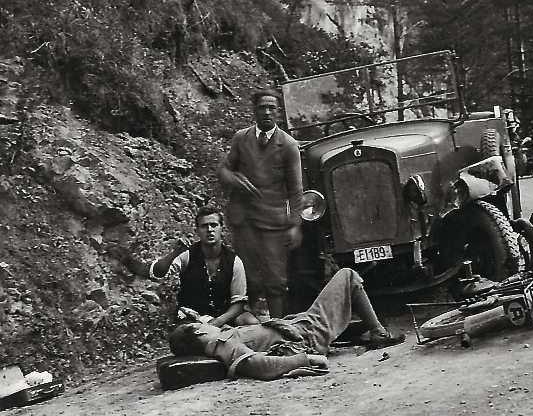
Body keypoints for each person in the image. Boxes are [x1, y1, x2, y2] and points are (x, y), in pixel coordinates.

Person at [166, 268, 405, 380]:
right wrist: (306, 360)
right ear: (197, 330)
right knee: (347, 276)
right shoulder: (224, 343)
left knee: (339, 303)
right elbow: (259, 365)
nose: (208, 323)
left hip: (300, 327)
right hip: (307, 334)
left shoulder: (223, 339)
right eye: (202, 323)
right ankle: (378, 333)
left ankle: (354, 327)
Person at [218, 89, 304, 319]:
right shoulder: (241, 138)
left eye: (271, 108)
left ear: (278, 112)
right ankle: (253, 330)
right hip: (243, 220)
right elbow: (224, 170)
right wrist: (235, 180)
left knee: (275, 279)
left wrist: (295, 225)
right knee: (248, 277)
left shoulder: (288, 145)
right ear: (254, 111)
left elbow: (296, 190)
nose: (267, 112)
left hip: (273, 222)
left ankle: (279, 328)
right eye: (262, 107)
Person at [122, 205, 259, 327]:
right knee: (185, 336)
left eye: (214, 225)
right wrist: (175, 252)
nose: (209, 230)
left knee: (251, 323)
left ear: (221, 228)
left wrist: (217, 322)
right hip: (192, 316)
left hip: (223, 316)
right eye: (204, 226)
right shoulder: (187, 255)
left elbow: (239, 304)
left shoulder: (234, 261)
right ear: (197, 231)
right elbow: (158, 273)